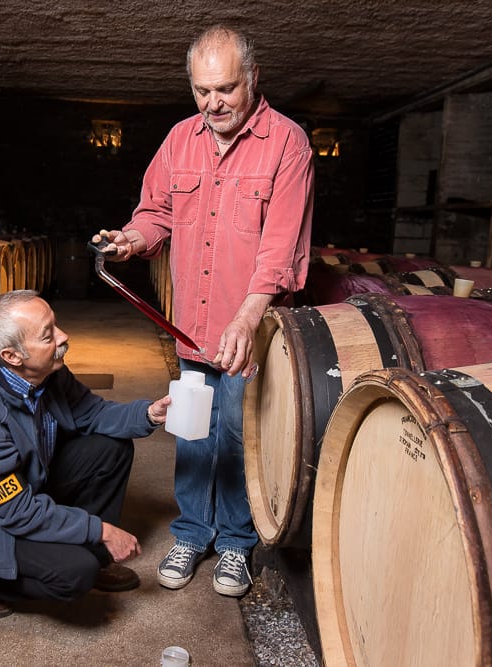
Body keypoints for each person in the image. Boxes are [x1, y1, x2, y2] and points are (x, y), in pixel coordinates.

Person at [93, 25, 314, 597]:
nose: (212, 102)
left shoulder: (288, 144)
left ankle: (236, 542)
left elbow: (280, 246)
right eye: (201, 90)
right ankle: (192, 531)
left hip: (252, 330)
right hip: (189, 324)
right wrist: (131, 240)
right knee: (193, 429)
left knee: (241, 433)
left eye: (225, 89)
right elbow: (155, 213)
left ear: (253, 79)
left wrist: (249, 316)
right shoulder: (180, 139)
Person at [0, 290, 171, 618]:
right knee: (74, 575)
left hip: (30, 481)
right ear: (13, 356)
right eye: (48, 335)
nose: (63, 336)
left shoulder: (45, 373)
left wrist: (148, 415)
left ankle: (95, 554)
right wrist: (102, 530)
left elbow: (92, 413)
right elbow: (20, 512)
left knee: (110, 448)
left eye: (56, 325)